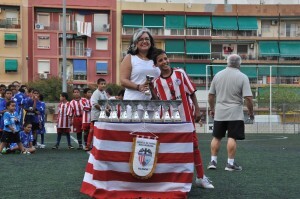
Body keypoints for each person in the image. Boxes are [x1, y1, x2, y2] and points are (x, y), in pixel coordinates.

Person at [150, 48, 214, 189]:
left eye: (165, 58)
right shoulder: (155, 82)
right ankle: (173, 180)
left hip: (186, 117)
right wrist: (149, 87)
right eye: (160, 60)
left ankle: (201, 177)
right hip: (170, 121)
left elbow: (191, 93)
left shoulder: (180, 73)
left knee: (194, 146)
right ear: (155, 65)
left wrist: (197, 110)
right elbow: (157, 102)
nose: (164, 62)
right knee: (172, 149)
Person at [207, 54, 254, 171]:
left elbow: (211, 95)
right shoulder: (243, 77)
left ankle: (213, 161)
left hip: (220, 112)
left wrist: (212, 109)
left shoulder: (218, 75)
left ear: (227, 62)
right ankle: (230, 164)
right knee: (232, 137)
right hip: (235, 113)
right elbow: (248, 98)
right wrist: (251, 112)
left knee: (216, 137)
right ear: (239, 64)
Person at [120, 28, 160, 118]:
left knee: (152, 132)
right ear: (135, 43)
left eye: (147, 39)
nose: (144, 41)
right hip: (133, 104)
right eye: (140, 39)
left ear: (151, 42)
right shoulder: (129, 58)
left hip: (154, 105)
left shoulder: (156, 59)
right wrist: (138, 87)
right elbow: (123, 80)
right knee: (134, 132)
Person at [86, 78, 108, 150]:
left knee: (100, 131)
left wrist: (110, 108)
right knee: (93, 131)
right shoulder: (96, 93)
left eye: (104, 84)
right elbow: (95, 104)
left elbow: (107, 102)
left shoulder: (104, 93)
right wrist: (104, 110)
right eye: (102, 84)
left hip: (102, 115)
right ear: (98, 84)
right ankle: (88, 146)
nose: (103, 85)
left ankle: (98, 145)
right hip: (96, 115)